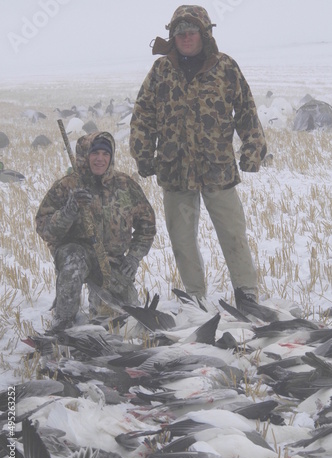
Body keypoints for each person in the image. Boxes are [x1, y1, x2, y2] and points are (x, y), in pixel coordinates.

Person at [130, 4, 267, 314]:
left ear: (204, 34)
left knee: (233, 233)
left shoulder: (226, 67)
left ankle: (247, 296)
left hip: (217, 168)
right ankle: (194, 297)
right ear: (172, 37)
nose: (185, 38)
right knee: (182, 239)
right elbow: (143, 114)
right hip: (174, 168)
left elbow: (246, 110)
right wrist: (143, 153)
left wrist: (252, 149)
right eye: (179, 33)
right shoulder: (161, 70)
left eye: (191, 32)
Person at [36, 131, 156, 332]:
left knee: (123, 315)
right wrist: (69, 209)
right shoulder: (68, 186)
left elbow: (147, 226)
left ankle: (98, 300)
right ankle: (63, 319)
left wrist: (134, 258)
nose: (100, 159)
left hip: (111, 262)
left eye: (105, 153)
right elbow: (45, 229)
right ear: (85, 156)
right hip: (77, 254)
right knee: (73, 264)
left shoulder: (125, 185)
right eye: (94, 153)